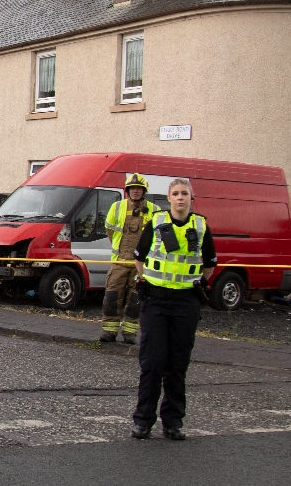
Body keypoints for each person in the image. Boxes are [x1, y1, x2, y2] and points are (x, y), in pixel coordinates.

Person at [130, 178, 216, 441]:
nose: (180, 198)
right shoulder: (155, 222)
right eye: (176, 194)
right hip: (156, 300)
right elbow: (139, 258)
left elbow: (209, 264)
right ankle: (143, 421)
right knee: (153, 363)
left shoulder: (201, 226)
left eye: (185, 194)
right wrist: (152, 282)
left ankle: (173, 422)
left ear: (192, 197)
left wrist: (194, 284)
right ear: (169, 198)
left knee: (178, 364)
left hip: (186, 302)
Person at [100, 174, 158, 344]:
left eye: (138, 188)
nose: (135, 191)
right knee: (112, 296)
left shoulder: (154, 210)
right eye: (132, 188)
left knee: (135, 299)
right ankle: (109, 331)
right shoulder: (117, 207)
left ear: (143, 191)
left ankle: (130, 333)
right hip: (120, 260)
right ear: (127, 190)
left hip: (141, 264)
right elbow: (109, 229)